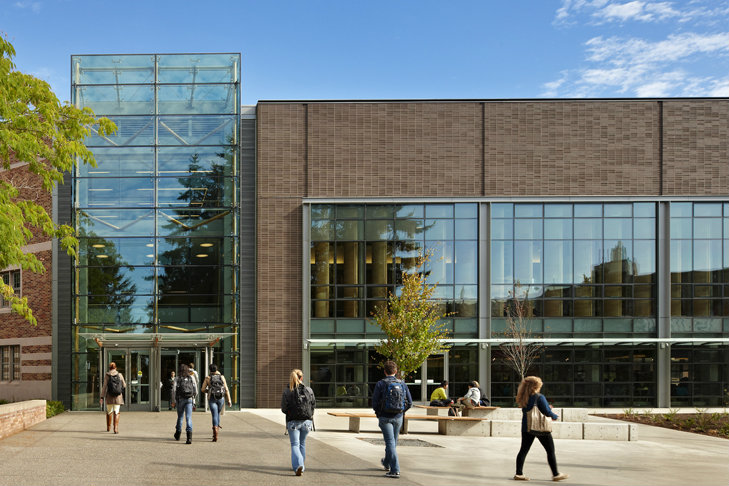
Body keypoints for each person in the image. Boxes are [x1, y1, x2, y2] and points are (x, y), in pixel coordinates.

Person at [514, 376, 568, 482]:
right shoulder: (539, 397)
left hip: (527, 427)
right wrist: (554, 415)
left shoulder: (524, 397)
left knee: (523, 450)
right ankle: (556, 474)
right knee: (550, 450)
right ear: (536, 386)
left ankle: (519, 473)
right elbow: (546, 411)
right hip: (540, 428)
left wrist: (547, 408)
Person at [372, 360, 413, 479]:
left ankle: (395, 470)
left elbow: (374, 402)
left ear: (385, 371)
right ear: (396, 371)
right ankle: (386, 463)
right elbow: (410, 403)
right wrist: (401, 412)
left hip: (385, 417)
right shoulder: (402, 383)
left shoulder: (380, 383)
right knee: (393, 443)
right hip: (398, 417)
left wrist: (379, 413)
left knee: (390, 442)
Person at [281, 369, 316, 476]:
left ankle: (299, 465)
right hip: (307, 422)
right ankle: (300, 466)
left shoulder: (287, 391)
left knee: (295, 445)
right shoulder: (309, 390)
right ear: (301, 378)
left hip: (293, 422)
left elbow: (284, 409)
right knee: (302, 444)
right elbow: (313, 405)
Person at [200, 363, 232, 442]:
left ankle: (215, 432)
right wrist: (229, 400)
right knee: (217, 414)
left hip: (212, 398)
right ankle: (217, 429)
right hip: (221, 398)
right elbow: (226, 389)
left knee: (214, 414)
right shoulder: (222, 377)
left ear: (210, 370)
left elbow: (202, 389)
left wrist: (209, 391)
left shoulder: (208, 378)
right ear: (217, 369)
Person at [171, 363, 197, 444]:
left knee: (180, 417)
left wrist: (173, 401)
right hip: (189, 399)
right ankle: (189, 437)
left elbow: (173, 391)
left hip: (180, 399)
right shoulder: (191, 377)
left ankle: (178, 433)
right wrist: (194, 398)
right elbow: (195, 389)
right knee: (188, 417)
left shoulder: (177, 378)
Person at [99, 362, 126, 434]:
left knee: (109, 411)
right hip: (118, 397)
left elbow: (104, 387)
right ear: (115, 368)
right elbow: (124, 385)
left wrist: (102, 397)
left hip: (109, 397)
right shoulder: (120, 375)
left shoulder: (107, 375)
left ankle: (108, 427)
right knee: (116, 412)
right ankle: (115, 428)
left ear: (109, 368)